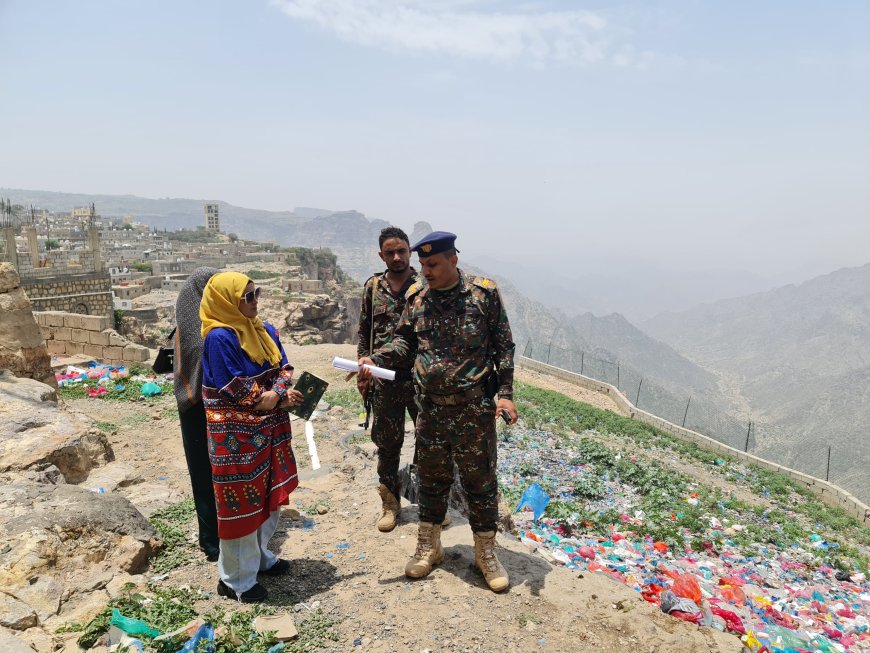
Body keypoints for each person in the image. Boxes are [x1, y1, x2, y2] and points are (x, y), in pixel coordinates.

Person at [358, 231, 519, 592]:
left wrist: (506, 394)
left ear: (453, 261)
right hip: (430, 410)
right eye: (423, 264)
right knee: (431, 481)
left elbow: (503, 346)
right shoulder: (417, 298)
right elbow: (403, 342)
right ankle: (429, 548)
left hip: (473, 410)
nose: (425, 271)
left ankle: (486, 553)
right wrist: (375, 358)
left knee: (480, 483)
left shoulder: (483, 294)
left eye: (432, 264)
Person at [200, 271, 305, 603]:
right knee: (240, 506)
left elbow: (284, 368)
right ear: (227, 301)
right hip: (237, 440)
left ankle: (258, 558)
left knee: (266, 497)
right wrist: (274, 398)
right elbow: (232, 387)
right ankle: (235, 580)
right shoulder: (219, 338)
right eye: (248, 296)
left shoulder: (263, 330)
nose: (255, 300)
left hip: (268, 432)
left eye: (256, 292)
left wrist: (278, 394)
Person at [355, 227, 422, 532]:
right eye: (390, 252)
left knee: (429, 441)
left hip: (421, 379)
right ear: (381, 255)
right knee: (388, 443)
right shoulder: (372, 287)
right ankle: (390, 504)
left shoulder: (424, 285)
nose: (397, 257)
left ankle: (429, 503)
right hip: (383, 380)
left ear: (410, 252)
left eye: (402, 251)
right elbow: (364, 333)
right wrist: (362, 372)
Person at [173, 266, 220, 562]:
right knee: (203, 473)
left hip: (218, 406)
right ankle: (210, 539)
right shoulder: (194, 325)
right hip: (196, 406)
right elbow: (199, 355)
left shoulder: (218, 321)